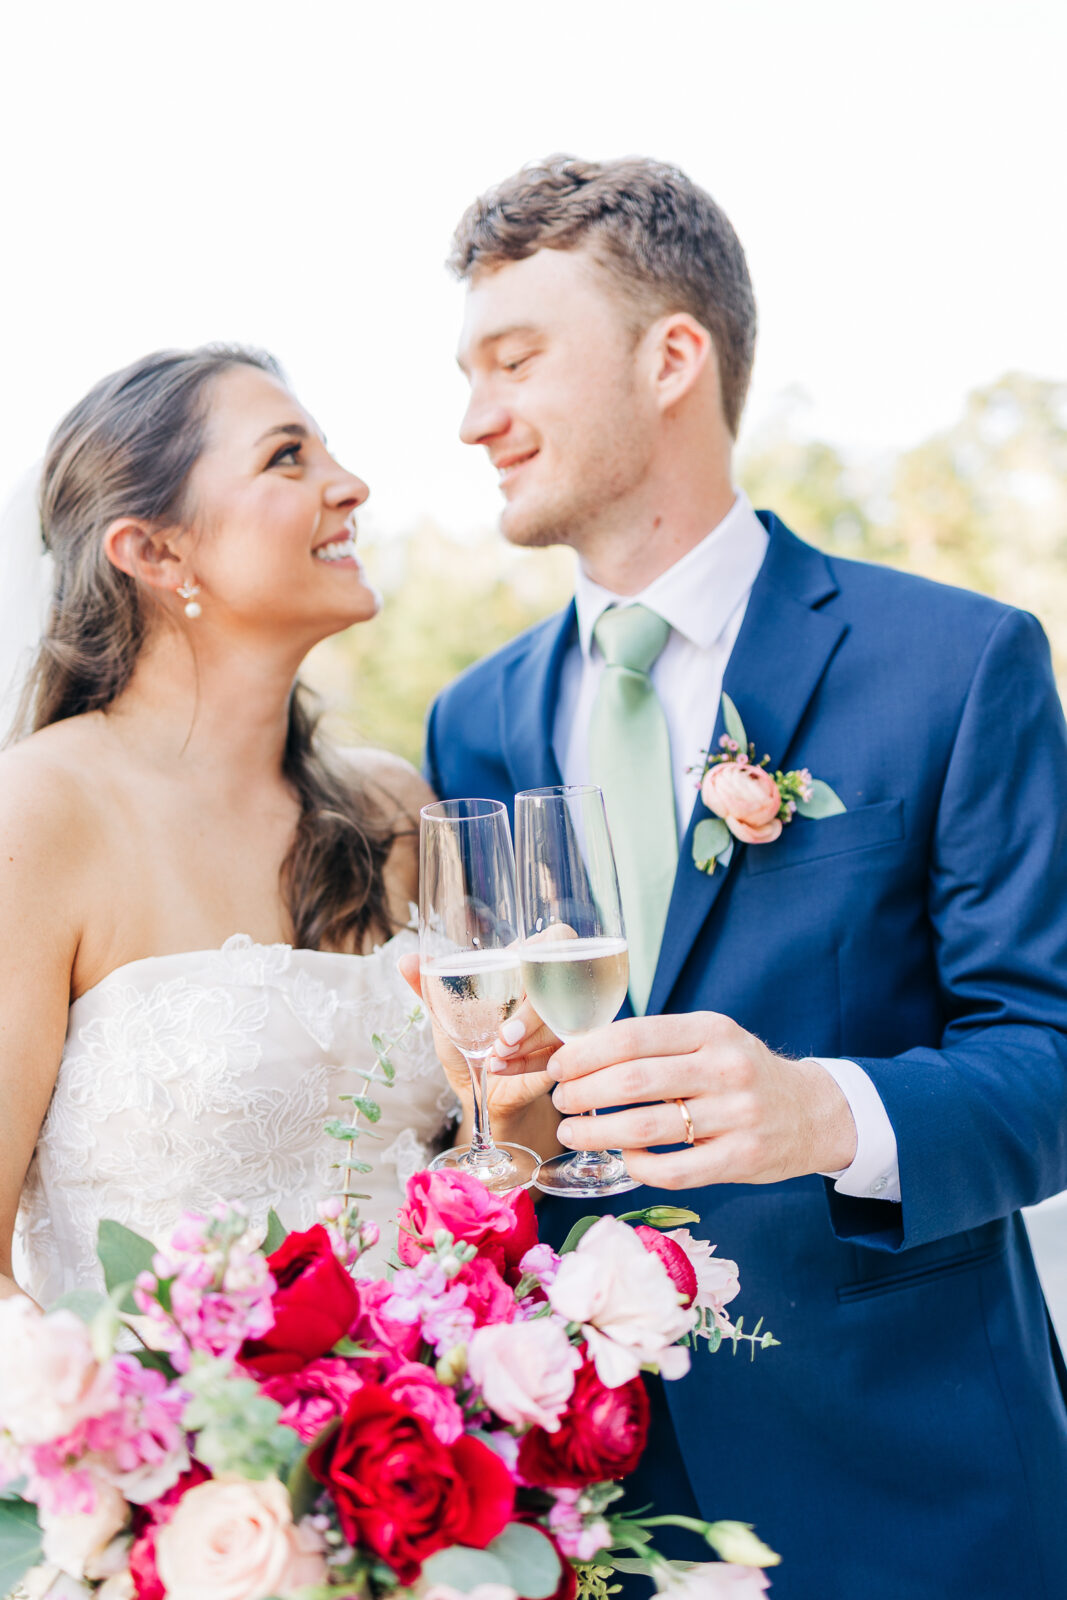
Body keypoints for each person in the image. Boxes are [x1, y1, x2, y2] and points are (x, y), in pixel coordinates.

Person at [425, 156, 1067, 1599]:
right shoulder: (472, 719)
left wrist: (818, 1111)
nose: (473, 421)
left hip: (914, 1496)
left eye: (514, 362)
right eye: (465, 373)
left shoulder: (954, 664)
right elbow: (513, 1121)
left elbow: (1050, 1057)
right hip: (591, 1504)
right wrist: (502, 1109)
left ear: (671, 357)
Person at [0, 345, 556, 1310]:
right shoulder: (41, 813)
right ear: (155, 551)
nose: (350, 485)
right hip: (145, 1447)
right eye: (287, 458)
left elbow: (494, 1192)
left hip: (409, 1437)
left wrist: (511, 1109)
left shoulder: (392, 811)